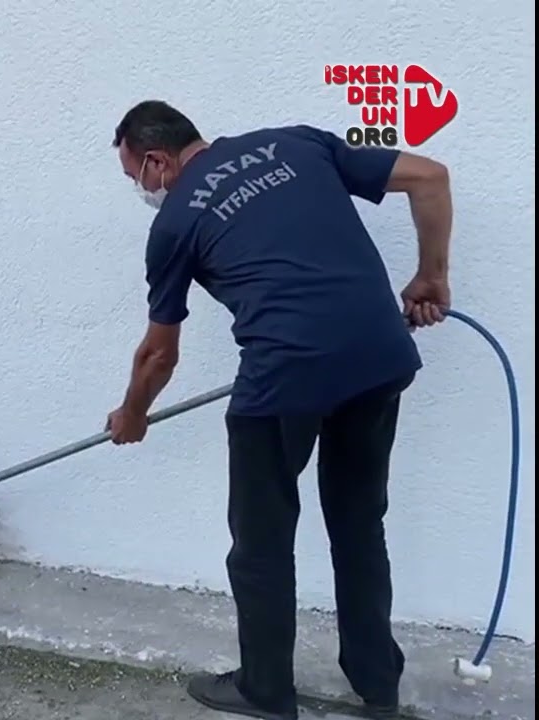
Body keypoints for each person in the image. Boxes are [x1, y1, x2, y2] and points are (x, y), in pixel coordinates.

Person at [103, 101, 453, 720]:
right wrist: (432, 276)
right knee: (358, 523)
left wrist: (132, 414)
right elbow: (430, 176)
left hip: (283, 377)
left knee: (260, 542)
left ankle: (265, 689)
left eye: (136, 177)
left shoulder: (175, 223)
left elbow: (158, 354)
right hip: (378, 355)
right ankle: (378, 684)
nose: (143, 190)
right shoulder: (295, 143)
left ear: (157, 161)